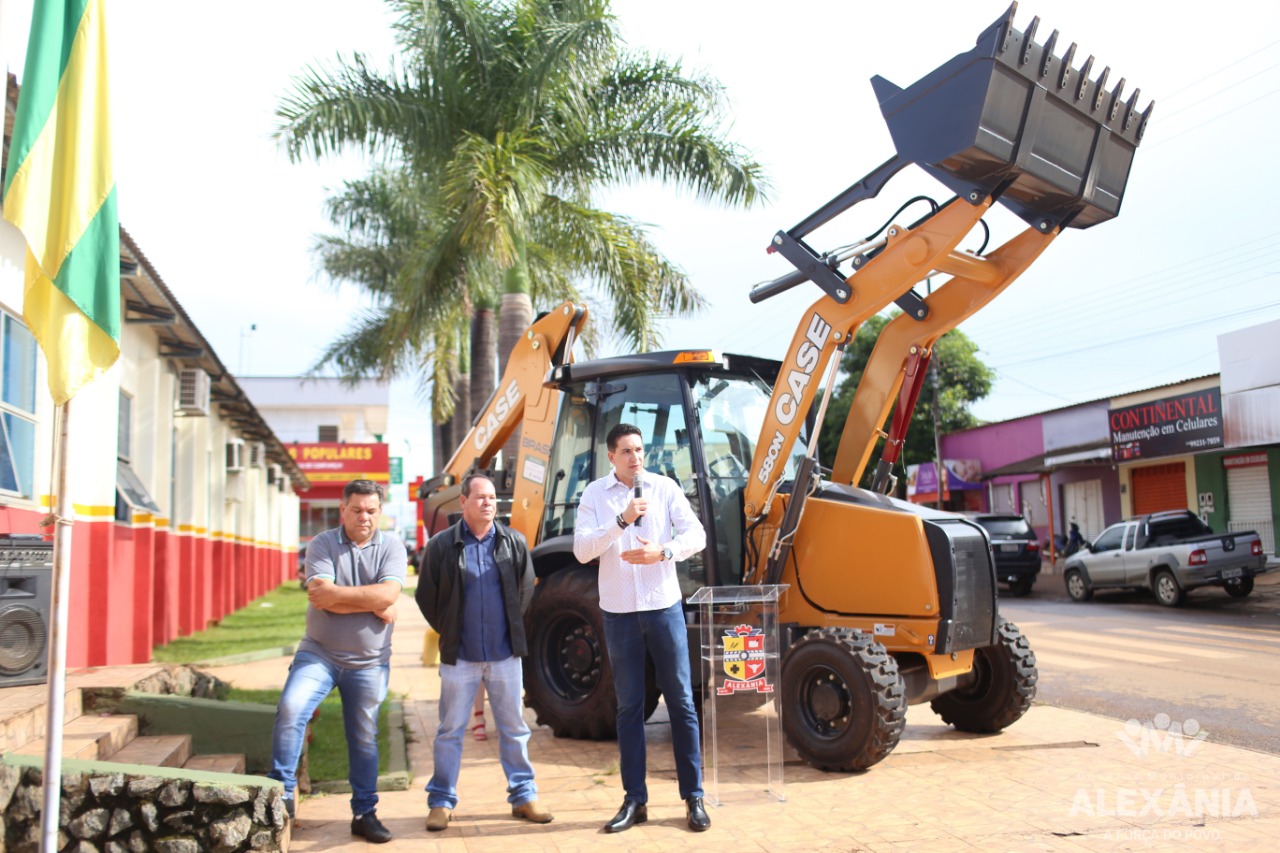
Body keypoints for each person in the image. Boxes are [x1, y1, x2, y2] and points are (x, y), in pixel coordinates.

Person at [573, 423, 710, 833]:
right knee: (629, 708)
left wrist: (664, 551)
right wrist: (620, 520)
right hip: (618, 613)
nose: (635, 458)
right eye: (626, 451)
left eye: (639, 450)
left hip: (662, 608)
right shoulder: (595, 495)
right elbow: (582, 551)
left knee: (682, 703)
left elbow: (697, 535)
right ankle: (635, 800)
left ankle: (694, 798)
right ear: (611, 456)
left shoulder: (664, 488)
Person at [269, 479, 405, 844]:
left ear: (380, 512)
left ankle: (364, 813)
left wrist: (346, 596)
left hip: (370, 662)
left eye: (371, 510)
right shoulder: (323, 543)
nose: (364, 517)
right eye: (357, 510)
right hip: (320, 654)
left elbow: (388, 592)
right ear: (343, 510)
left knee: (363, 738)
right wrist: (374, 602)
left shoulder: (391, 546)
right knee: (291, 708)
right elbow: (321, 598)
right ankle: (280, 799)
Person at [415, 474, 552, 832]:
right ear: (463, 502)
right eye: (480, 497)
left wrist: (507, 628)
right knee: (449, 730)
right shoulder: (442, 546)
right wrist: (451, 630)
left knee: (514, 728)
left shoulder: (514, 542)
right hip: (460, 657)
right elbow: (426, 597)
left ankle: (523, 796)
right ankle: (441, 801)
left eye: (492, 497)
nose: (488, 503)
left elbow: (525, 591)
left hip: (505, 656)